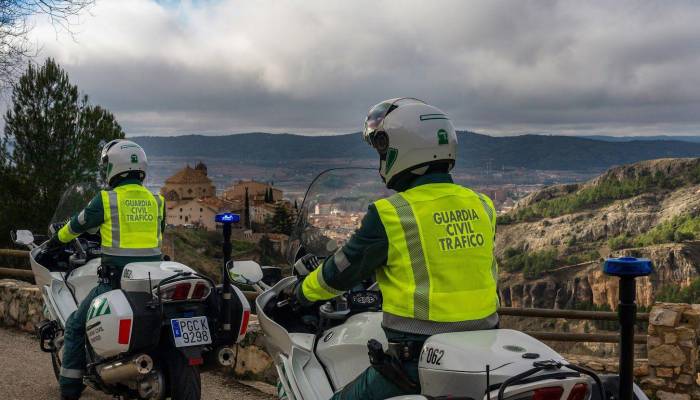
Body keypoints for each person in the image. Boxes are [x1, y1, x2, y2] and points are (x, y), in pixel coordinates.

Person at [296, 98, 499, 400]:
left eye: (382, 149)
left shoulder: (392, 214)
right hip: (483, 350)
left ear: (403, 148)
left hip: (417, 357)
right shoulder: (482, 205)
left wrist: (301, 293)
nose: (381, 159)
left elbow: (341, 271)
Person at [49, 139, 165, 400]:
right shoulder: (158, 201)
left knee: (76, 325)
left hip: (115, 281)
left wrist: (56, 241)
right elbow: (158, 235)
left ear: (113, 167)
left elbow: (76, 226)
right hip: (152, 282)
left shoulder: (106, 200)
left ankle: (68, 389)